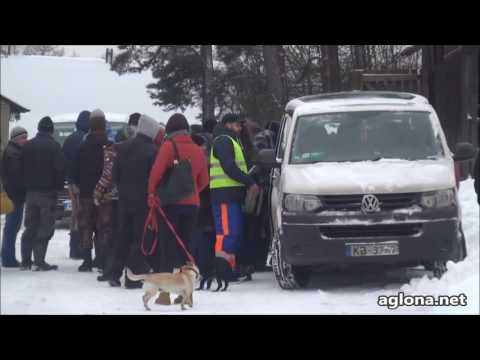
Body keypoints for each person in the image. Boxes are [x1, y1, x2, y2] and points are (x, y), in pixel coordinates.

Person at [148, 113, 209, 305]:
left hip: (170, 205)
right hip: (192, 206)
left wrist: (151, 194)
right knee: (185, 246)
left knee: (167, 247)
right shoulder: (198, 150)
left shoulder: (168, 147)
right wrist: (192, 194)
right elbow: (204, 180)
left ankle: (165, 295)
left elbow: (156, 174)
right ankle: (187, 295)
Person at [106, 114, 162, 288]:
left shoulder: (122, 147)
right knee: (139, 238)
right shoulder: (152, 150)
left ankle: (113, 273)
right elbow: (155, 178)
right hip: (143, 202)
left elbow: (114, 175)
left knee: (122, 237)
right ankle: (133, 277)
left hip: (124, 200)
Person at [209, 114, 259, 282]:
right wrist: (249, 181)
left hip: (230, 194)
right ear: (229, 125)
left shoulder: (230, 140)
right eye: (238, 125)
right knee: (227, 234)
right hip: (224, 194)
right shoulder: (223, 140)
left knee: (232, 233)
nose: (240, 129)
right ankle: (223, 271)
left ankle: (228, 268)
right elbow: (229, 167)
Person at [20, 117, 66, 271]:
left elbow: (21, 167)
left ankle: (25, 261)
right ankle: (39, 261)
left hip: (31, 193)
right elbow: (60, 169)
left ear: (39, 129)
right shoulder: (54, 147)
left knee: (30, 226)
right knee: (45, 227)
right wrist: (58, 188)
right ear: (51, 130)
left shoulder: (27, 146)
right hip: (48, 194)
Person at [72, 109, 112, 272]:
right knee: (104, 227)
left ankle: (87, 260)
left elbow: (74, 170)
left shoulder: (82, 147)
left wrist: (77, 185)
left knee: (86, 227)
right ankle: (102, 260)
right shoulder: (110, 145)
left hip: (87, 194)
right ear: (103, 124)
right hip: (106, 195)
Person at [62, 110, 90, 259]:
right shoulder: (86, 139)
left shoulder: (70, 139)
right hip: (84, 184)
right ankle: (80, 248)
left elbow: (63, 160)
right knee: (84, 215)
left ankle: (73, 248)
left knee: (75, 215)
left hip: (71, 183)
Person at [1, 126, 28, 267]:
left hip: (14, 195)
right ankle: (8, 258)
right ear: (16, 138)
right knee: (12, 227)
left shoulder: (14, 151)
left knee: (12, 227)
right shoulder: (14, 154)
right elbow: (16, 177)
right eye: (23, 138)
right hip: (14, 196)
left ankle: (7, 256)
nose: (26, 140)